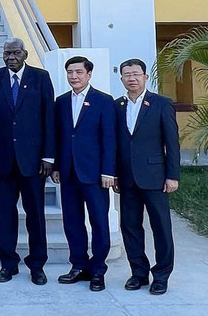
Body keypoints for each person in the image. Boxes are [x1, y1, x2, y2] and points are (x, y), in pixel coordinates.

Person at [0, 37, 55, 285]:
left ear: (25, 54)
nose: (10, 57)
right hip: (3, 161)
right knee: (5, 214)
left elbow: (48, 118)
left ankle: (37, 265)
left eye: (15, 53)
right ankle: (8, 263)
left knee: (35, 214)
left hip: (34, 161)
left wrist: (48, 156)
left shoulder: (40, 77)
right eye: (6, 53)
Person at [114, 58, 180, 296]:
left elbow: (172, 143)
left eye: (135, 74)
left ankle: (161, 275)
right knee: (130, 226)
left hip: (155, 176)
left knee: (161, 227)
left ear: (145, 77)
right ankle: (138, 272)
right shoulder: (117, 105)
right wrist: (114, 175)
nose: (131, 78)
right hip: (127, 178)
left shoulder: (161, 104)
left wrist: (172, 176)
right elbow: (115, 144)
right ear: (121, 79)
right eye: (126, 75)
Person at [52, 55, 116, 292]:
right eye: (70, 72)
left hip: (95, 173)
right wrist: (57, 166)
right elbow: (58, 137)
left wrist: (109, 170)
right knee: (72, 221)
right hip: (68, 173)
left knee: (99, 222)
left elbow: (109, 138)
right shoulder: (60, 102)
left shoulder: (103, 101)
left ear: (89, 74)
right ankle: (78, 265)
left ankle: (98, 269)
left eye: (78, 72)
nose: (73, 76)